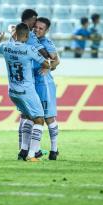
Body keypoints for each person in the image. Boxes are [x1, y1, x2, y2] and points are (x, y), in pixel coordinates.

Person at [0, 23, 50, 161]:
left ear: (14, 34)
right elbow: (46, 64)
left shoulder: (5, 46)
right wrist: (48, 61)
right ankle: (32, 155)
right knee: (39, 120)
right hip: (27, 90)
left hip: (13, 91)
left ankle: (23, 151)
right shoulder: (29, 49)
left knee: (28, 117)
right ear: (27, 36)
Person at [33, 17, 61, 160]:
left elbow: (57, 61)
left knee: (49, 117)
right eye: (36, 27)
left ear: (46, 30)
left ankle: (54, 149)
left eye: (41, 28)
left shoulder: (46, 43)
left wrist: (48, 66)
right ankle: (35, 150)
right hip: (33, 83)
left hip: (44, 85)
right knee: (35, 117)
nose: (37, 30)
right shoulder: (30, 39)